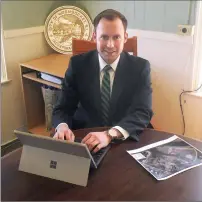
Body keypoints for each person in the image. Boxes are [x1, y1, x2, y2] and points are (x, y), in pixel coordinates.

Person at [52, 9, 153, 153]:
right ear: (94, 37)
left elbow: (143, 112)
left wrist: (109, 134)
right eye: (104, 37)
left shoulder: (141, 67)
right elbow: (63, 108)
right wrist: (62, 126)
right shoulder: (77, 64)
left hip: (124, 137)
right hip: (86, 137)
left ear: (125, 37)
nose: (110, 45)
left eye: (116, 37)